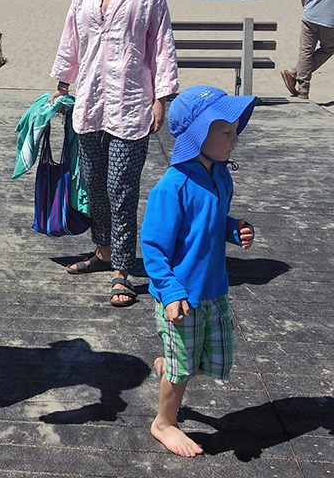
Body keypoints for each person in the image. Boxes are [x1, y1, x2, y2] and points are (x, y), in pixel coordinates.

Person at [50, 0, 178, 307]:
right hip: (89, 101)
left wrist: (161, 98)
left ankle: (122, 267)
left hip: (131, 101)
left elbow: (162, 44)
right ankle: (103, 251)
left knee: (121, 188)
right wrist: (61, 83)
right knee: (95, 188)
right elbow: (72, 35)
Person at [141, 86, 256, 457]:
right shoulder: (172, 187)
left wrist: (232, 228)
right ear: (198, 135)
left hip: (213, 289)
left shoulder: (221, 176)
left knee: (212, 360)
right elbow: (153, 247)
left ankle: (166, 367)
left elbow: (211, 220)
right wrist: (170, 291)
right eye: (226, 132)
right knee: (184, 365)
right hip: (181, 295)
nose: (235, 140)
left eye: (236, 129)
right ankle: (164, 423)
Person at [281, 0, 334, 100]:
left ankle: (302, 86)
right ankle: (295, 75)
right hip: (330, 17)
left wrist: (306, 7)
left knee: (305, 51)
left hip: (311, 14)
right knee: (328, 49)